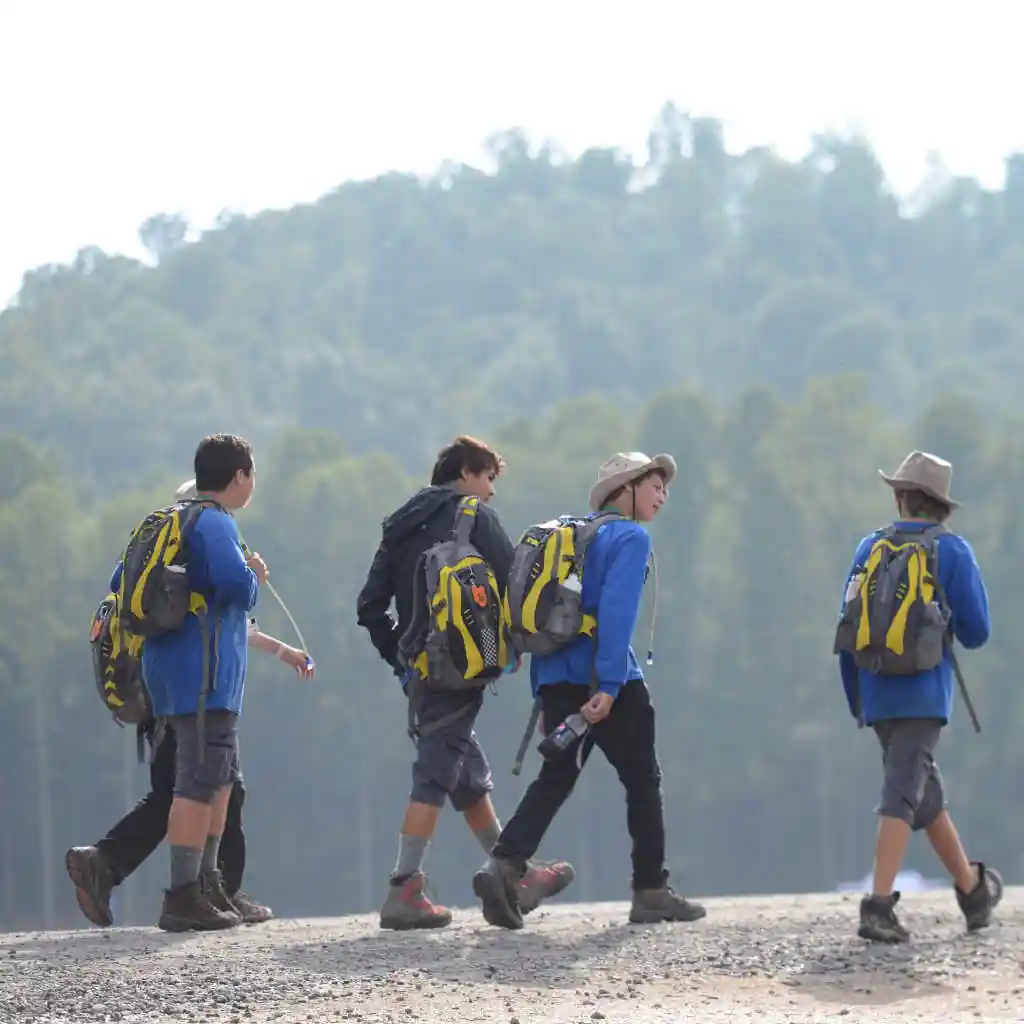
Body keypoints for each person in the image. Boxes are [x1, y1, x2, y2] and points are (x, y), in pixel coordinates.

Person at [472, 451, 707, 930]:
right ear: (625, 489)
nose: (663, 496)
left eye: (665, 488)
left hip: (556, 677)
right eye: (654, 485)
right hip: (608, 682)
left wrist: (548, 684)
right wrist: (612, 685)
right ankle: (651, 890)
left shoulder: (574, 536)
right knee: (643, 781)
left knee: (556, 777)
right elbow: (618, 616)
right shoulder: (630, 537)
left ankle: (503, 866)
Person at [65, 482, 314, 929]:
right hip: (196, 687)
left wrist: (284, 652)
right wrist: (254, 579)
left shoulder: (158, 543)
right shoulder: (206, 532)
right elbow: (231, 606)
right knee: (203, 787)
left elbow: (129, 592)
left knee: (191, 788)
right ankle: (200, 889)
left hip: (160, 683)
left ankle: (125, 867)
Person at [356, 435, 575, 929]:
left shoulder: (399, 524)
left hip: (420, 668)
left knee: (465, 772)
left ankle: (513, 872)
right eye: (489, 477)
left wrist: (402, 657)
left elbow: (368, 607)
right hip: (464, 667)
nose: (492, 491)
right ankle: (404, 889)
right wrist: (515, 649)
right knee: (437, 769)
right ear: (466, 473)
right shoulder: (475, 517)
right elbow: (516, 585)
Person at [835, 450, 1001, 943]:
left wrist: (857, 698)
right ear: (941, 505)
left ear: (901, 496)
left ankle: (973, 892)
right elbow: (977, 632)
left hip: (877, 691)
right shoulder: (952, 551)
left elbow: (845, 629)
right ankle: (878, 906)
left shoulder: (869, 547)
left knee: (922, 795)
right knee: (902, 794)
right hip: (925, 695)